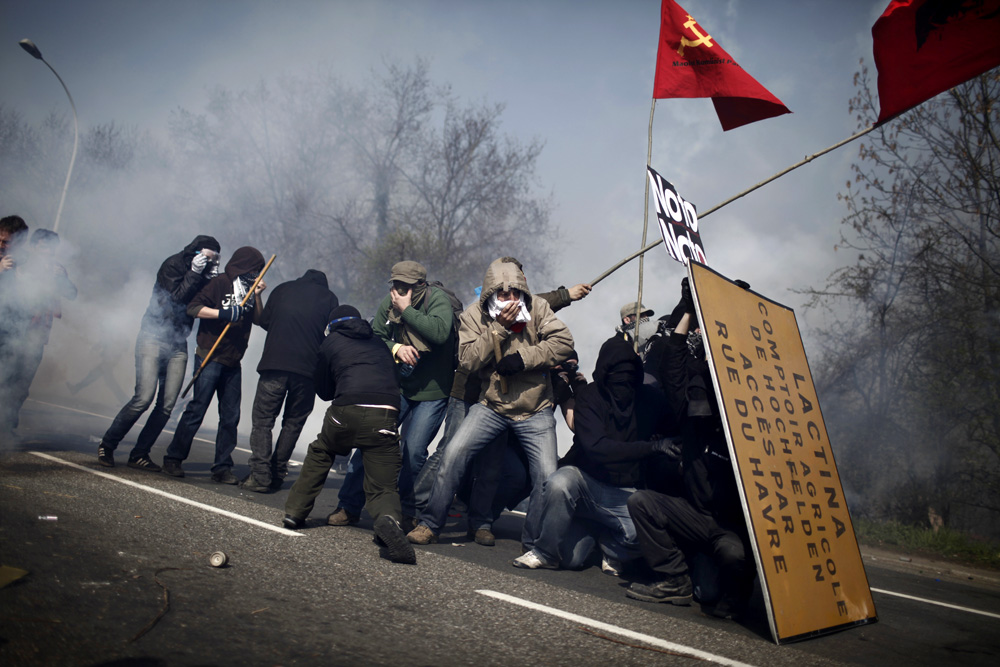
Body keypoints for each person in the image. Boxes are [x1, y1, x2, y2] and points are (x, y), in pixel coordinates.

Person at [411, 276, 591, 546]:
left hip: (534, 408)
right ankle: (427, 520)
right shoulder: (476, 314)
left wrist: (523, 359)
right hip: (486, 402)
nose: (510, 299)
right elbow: (467, 359)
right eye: (503, 293)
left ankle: (532, 544)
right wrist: (499, 328)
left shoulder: (537, 308)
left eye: (515, 291)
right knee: (452, 453)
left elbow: (563, 342)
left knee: (539, 473)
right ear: (491, 292)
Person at [625, 278, 753, 619]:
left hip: (731, 528)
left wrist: (740, 313)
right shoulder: (690, 418)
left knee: (730, 563)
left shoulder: (746, 426)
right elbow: (674, 361)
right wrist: (690, 308)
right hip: (695, 517)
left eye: (703, 391)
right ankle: (674, 580)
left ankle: (738, 595)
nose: (697, 398)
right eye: (693, 391)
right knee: (642, 503)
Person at [513, 335, 677, 572]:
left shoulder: (651, 400)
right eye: (617, 378)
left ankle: (610, 545)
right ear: (604, 374)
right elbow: (597, 448)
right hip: (586, 485)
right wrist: (651, 448)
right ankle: (545, 552)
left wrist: (664, 442)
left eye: (629, 378)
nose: (624, 385)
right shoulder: (590, 397)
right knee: (560, 485)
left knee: (653, 530)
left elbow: (674, 430)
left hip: (626, 493)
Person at [283, 305, 415, 565]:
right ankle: (389, 520)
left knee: (322, 451)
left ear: (333, 325)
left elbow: (323, 390)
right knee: (383, 484)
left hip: (347, 410)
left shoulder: (330, 341)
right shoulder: (378, 342)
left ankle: (295, 512)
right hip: (386, 413)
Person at [329, 261, 454, 526]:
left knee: (413, 451)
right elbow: (374, 336)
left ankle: (405, 511)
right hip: (396, 386)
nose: (398, 291)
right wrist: (396, 348)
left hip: (432, 392)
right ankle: (348, 506)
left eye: (405, 287)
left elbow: (440, 333)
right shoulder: (389, 301)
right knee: (370, 439)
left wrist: (406, 310)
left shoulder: (438, 300)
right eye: (395, 285)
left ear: (420, 285)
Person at [96, 235, 221, 470]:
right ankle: (108, 444)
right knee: (143, 398)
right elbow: (176, 298)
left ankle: (139, 453)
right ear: (195, 252)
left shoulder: (204, 275)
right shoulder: (172, 264)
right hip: (153, 336)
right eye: (206, 257)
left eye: (214, 259)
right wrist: (195, 273)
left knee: (166, 404)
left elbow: (202, 306)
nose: (209, 262)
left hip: (178, 343)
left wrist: (211, 282)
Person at [162, 246, 266, 483]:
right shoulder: (219, 283)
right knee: (196, 410)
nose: (257, 275)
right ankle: (173, 458)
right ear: (244, 267)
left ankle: (222, 467)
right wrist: (222, 314)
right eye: (255, 270)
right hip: (210, 355)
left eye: (260, 271)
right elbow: (193, 308)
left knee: (230, 417)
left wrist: (258, 295)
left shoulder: (249, 290)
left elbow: (259, 320)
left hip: (233, 360)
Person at [242, 269, 339, 492]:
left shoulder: (283, 289)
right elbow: (331, 335)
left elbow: (262, 321)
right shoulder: (330, 299)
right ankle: (276, 472)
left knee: (263, 421)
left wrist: (256, 296)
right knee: (293, 423)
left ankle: (259, 475)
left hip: (275, 366)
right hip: (307, 373)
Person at [0, 229, 77, 436]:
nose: (48, 253)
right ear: (34, 247)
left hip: (38, 334)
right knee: (6, 378)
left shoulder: (56, 269)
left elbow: (72, 294)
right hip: (12, 331)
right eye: (44, 248)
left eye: (52, 249)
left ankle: (9, 418)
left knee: (23, 383)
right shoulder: (20, 263)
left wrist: (62, 279)